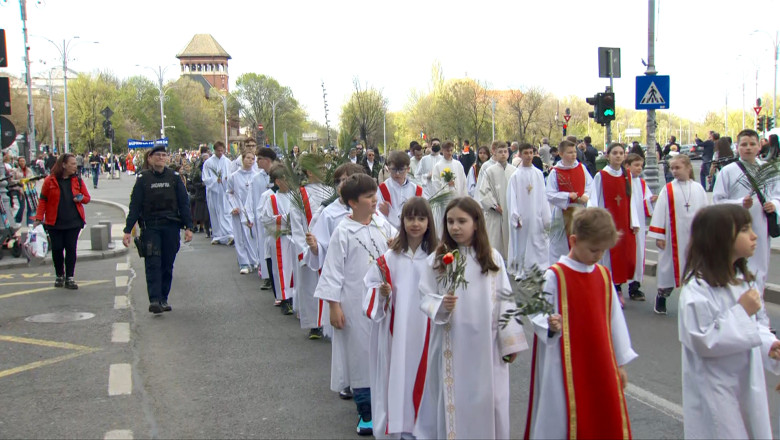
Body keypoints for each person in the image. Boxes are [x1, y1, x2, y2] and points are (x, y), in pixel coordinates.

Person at [414, 197, 525, 440]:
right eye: (450, 221)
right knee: (453, 397)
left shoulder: (492, 258)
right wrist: (441, 304)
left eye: (462, 221)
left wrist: (510, 341)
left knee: (491, 400)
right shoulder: (438, 260)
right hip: (450, 341)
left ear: (476, 223)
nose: (455, 227)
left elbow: (505, 299)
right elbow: (424, 296)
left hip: (487, 344)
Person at [526, 208, 637, 439]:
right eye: (594, 249)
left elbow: (615, 323)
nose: (598, 255)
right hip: (563, 362)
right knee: (564, 417)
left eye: (603, 250)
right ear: (574, 241)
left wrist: (620, 363)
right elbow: (536, 309)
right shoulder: (555, 276)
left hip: (600, 362)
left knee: (601, 414)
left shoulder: (604, 276)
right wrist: (549, 322)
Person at [678, 204, 780, 439]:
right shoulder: (698, 290)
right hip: (715, 388)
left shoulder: (743, 281)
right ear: (720, 238)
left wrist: (770, 345)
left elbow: (757, 327)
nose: (754, 236)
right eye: (745, 230)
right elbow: (703, 341)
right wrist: (742, 311)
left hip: (746, 382)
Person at [314, 173, 396, 436]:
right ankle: (366, 412)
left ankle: (388, 407)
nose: (375, 200)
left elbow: (399, 246)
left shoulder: (383, 223)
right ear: (352, 202)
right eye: (369, 197)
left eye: (375, 195)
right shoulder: (343, 231)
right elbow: (333, 271)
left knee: (385, 352)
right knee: (360, 357)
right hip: (353, 302)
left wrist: (398, 244)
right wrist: (333, 305)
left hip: (383, 300)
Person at [363, 197, 437, 439]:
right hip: (399, 331)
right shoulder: (389, 258)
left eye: (421, 218)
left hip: (429, 330)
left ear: (429, 222)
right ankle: (400, 425)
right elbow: (370, 287)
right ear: (402, 221)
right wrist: (382, 295)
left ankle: (426, 426)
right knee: (399, 374)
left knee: (427, 376)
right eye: (410, 218)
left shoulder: (438, 259)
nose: (415, 223)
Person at [122, 145, 193, 314]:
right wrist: (127, 230)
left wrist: (189, 227)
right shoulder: (143, 179)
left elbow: (184, 204)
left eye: (164, 155)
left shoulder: (174, 178)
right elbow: (135, 206)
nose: (161, 158)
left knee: (167, 263)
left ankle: (163, 298)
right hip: (151, 226)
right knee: (153, 263)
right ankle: (154, 299)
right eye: (158, 155)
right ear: (150, 159)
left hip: (171, 225)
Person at [713, 129, 778, 291]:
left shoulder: (769, 170)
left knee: (760, 266)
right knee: (736, 265)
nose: (748, 148)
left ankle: (757, 302)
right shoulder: (728, 171)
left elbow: (778, 195)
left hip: (761, 226)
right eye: (744, 144)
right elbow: (718, 201)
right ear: (737, 147)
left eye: (752, 144)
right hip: (736, 227)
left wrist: (774, 204)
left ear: (759, 146)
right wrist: (740, 203)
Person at [648, 155, 708, 314]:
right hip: (671, 238)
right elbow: (660, 212)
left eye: (677, 168)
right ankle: (662, 297)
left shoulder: (698, 188)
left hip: (693, 238)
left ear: (688, 168)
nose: (674, 171)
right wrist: (660, 236)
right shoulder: (667, 189)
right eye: (672, 168)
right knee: (668, 269)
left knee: (695, 269)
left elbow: (705, 212)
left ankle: (693, 302)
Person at [589, 143, 640, 303]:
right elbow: (594, 199)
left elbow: (631, 199)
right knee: (609, 258)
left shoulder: (627, 175)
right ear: (607, 156)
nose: (618, 156)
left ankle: (617, 286)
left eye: (621, 153)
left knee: (626, 258)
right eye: (615, 153)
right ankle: (613, 290)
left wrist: (634, 221)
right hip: (608, 222)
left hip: (624, 222)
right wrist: (596, 224)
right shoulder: (601, 176)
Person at [290, 161, 335, 339]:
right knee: (310, 287)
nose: (324, 171)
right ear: (309, 171)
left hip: (328, 248)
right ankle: (314, 325)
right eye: (320, 168)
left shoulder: (331, 192)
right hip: (309, 248)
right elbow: (296, 223)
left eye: (325, 168)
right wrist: (305, 250)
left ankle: (329, 324)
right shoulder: (300, 194)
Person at [34, 153, 90, 290]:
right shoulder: (49, 181)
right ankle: (60, 274)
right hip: (55, 222)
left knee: (71, 249)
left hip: (73, 221)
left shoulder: (77, 180)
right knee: (57, 249)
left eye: (75, 164)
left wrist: (80, 198)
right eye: (72, 164)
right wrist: (38, 218)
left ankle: (70, 277)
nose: (75, 166)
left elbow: (87, 198)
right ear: (63, 165)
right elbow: (43, 201)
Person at [546, 140, 593, 266]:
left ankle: (579, 265)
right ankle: (561, 268)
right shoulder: (555, 172)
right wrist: (567, 196)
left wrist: (586, 195)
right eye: (569, 152)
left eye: (574, 152)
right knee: (560, 244)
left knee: (581, 240)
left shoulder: (581, 168)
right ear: (561, 154)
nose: (573, 155)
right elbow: (550, 194)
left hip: (580, 210)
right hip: (563, 212)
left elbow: (590, 185)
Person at [507, 143, 551, 279]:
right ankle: (522, 269)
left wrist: (546, 217)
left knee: (538, 241)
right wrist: (515, 216)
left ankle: (539, 267)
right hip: (522, 216)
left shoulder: (538, 174)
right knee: (522, 244)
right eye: (526, 153)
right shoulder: (515, 176)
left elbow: (543, 196)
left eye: (531, 153)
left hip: (536, 214)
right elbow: (511, 197)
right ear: (520, 154)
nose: (529, 156)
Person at [260, 163, 297, 315]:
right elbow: (266, 219)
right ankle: (284, 299)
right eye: (284, 178)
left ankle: (295, 298)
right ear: (277, 181)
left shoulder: (296, 197)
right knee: (282, 269)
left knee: (294, 269)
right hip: (280, 238)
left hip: (295, 237)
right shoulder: (271, 199)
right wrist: (285, 219)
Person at [625, 153, 657, 302]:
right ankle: (617, 286)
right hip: (625, 224)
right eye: (636, 165)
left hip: (639, 225)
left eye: (641, 165)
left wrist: (651, 200)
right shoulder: (624, 182)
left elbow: (645, 202)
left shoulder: (642, 183)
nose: (639, 168)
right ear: (628, 166)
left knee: (638, 255)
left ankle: (635, 287)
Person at [476, 141, 516, 259]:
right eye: (500, 152)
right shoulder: (490, 171)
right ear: (495, 154)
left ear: (508, 154)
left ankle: (511, 262)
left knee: (510, 239)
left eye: (505, 152)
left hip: (510, 210)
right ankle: (494, 262)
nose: (503, 154)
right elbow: (484, 191)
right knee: (495, 239)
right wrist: (493, 205)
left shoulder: (514, 171)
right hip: (496, 212)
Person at [248, 147, 276, 290]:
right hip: (261, 217)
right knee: (263, 245)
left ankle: (276, 276)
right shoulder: (255, 178)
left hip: (276, 216)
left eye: (259, 159)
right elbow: (251, 198)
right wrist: (249, 216)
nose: (256, 161)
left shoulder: (278, 175)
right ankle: (266, 275)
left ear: (267, 160)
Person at [227, 150, 259, 274]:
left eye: (252, 159)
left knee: (252, 235)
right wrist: (234, 207)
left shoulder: (256, 176)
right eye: (248, 158)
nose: (250, 161)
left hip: (251, 210)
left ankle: (254, 260)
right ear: (242, 159)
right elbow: (229, 193)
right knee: (240, 236)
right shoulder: (234, 176)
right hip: (239, 210)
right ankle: (243, 263)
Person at [376, 150, 424, 230]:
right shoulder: (382, 189)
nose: (397, 173)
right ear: (388, 168)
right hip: (389, 232)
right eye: (394, 169)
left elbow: (421, 214)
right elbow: (378, 214)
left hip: (411, 232)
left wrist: (390, 214)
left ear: (408, 169)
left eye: (401, 170)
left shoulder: (417, 190)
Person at [202, 141, 234, 246]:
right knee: (215, 212)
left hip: (224, 191)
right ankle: (217, 235)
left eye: (222, 150)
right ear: (214, 150)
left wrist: (226, 179)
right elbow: (205, 178)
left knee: (226, 212)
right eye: (218, 150)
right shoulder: (208, 163)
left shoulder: (228, 162)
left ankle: (229, 234)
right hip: (214, 191)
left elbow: (232, 175)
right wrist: (216, 180)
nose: (220, 152)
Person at [12, 157, 37, 225]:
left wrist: (32, 182)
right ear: (18, 162)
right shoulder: (15, 171)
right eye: (21, 161)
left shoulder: (29, 170)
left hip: (29, 189)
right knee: (22, 206)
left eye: (23, 161)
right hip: (20, 190)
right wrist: (19, 182)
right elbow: (12, 181)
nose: (22, 162)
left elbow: (33, 178)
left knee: (30, 206)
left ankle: (30, 222)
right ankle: (18, 219)